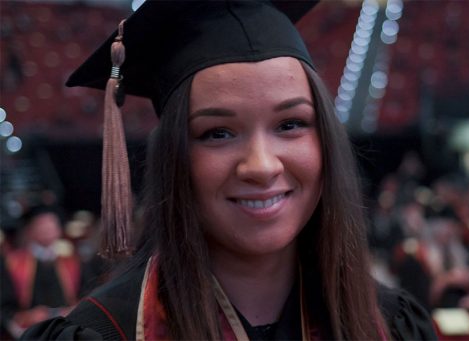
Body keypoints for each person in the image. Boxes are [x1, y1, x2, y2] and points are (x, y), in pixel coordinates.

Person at [22, 1, 437, 340]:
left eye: (290, 124)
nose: (261, 165)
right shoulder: (108, 332)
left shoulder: (390, 324)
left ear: (325, 139)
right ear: (174, 158)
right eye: (217, 133)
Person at [1, 206, 83, 339]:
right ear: (30, 230)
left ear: (59, 229)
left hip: (66, 326)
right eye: (42, 224)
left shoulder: (73, 261)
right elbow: (5, 305)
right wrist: (26, 316)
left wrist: (72, 310)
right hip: (28, 329)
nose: (47, 229)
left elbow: (85, 294)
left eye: (52, 224)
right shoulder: (12, 263)